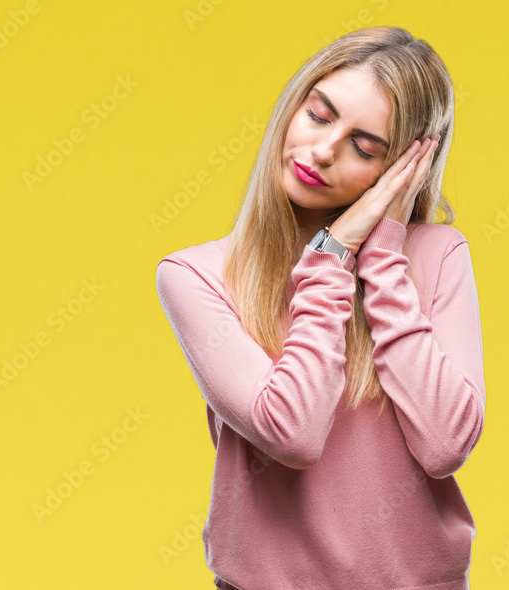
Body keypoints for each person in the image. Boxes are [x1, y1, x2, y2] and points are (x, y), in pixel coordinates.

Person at [154, 26, 486, 590]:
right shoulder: (197, 276)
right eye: (318, 114)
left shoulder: (437, 257)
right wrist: (330, 259)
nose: (324, 151)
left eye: (364, 147)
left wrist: (381, 258)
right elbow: (293, 433)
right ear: (293, 105)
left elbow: (446, 445)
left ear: (402, 170)